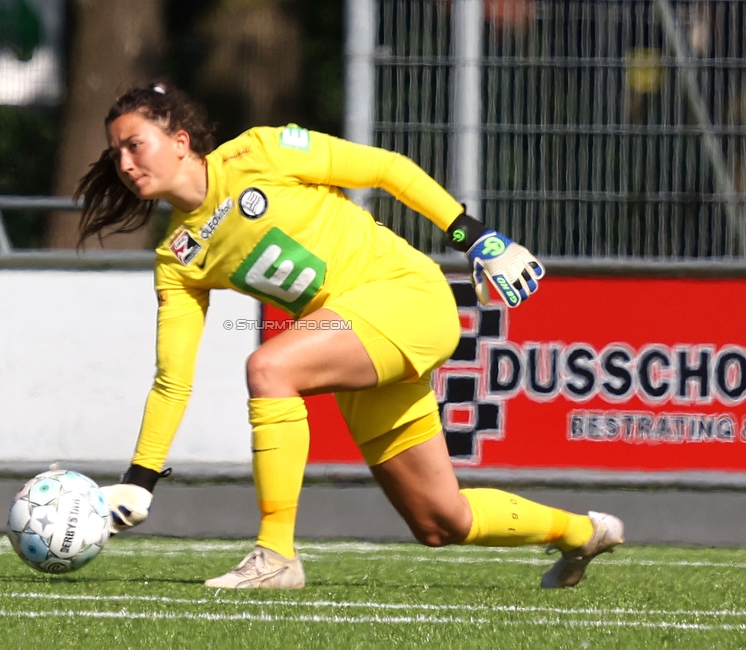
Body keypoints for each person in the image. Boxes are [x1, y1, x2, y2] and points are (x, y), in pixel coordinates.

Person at [84, 81, 624, 590]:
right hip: (357, 338)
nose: (128, 165)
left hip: (405, 296)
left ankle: (276, 555)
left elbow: (386, 168)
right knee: (440, 521)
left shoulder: (261, 152)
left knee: (270, 368)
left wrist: (473, 237)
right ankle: (582, 533)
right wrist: (141, 478)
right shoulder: (177, 258)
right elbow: (172, 379)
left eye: (136, 145)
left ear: (180, 141)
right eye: (117, 156)